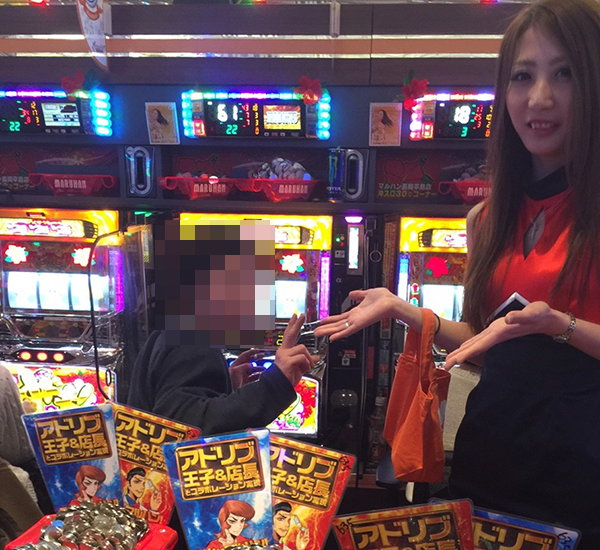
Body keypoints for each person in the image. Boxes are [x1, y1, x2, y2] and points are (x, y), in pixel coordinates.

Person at [316, 0, 600, 546]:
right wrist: (406, 311)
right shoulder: (486, 218)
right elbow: (484, 341)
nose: (540, 98)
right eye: (523, 76)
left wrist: (560, 325)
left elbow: (541, 330)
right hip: (492, 452)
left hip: (583, 468)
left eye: (564, 73)